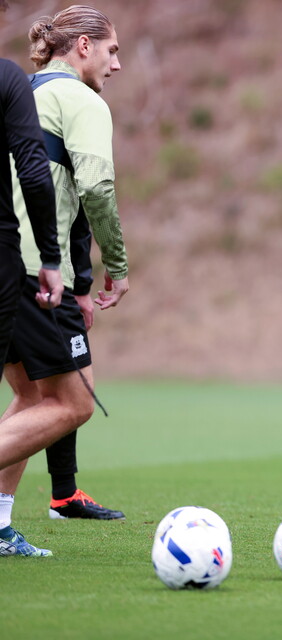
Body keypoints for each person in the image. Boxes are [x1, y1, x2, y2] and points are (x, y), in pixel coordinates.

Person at [0, 5, 130, 556]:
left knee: (32, 398)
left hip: (10, 261)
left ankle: (0, 525)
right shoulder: (81, 101)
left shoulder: (20, 88)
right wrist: (116, 267)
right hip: (31, 268)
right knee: (74, 404)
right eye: (112, 50)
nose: (117, 64)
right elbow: (97, 189)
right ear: (81, 46)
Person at [0, 1, 67, 558]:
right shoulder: (8, 79)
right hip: (4, 257)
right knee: (68, 401)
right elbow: (34, 170)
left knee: (26, 392)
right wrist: (51, 255)